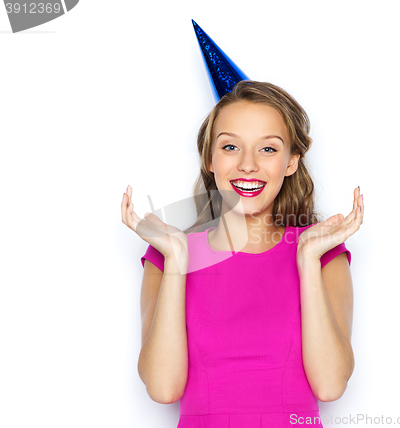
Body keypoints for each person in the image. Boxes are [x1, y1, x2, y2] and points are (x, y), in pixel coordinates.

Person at [121, 80, 364, 428]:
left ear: (292, 161)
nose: (248, 165)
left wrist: (308, 261)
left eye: (268, 149)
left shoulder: (323, 251)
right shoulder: (168, 253)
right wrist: (177, 259)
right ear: (210, 159)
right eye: (231, 146)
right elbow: (162, 388)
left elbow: (329, 386)